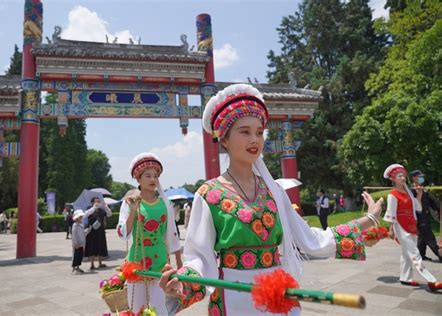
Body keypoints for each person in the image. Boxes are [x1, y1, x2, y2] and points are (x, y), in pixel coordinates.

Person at [160, 84, 384, 315]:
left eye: (259, 132)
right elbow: (199, 256)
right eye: (245, 132)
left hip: (278, 295)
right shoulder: (209, 195)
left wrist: (369, 219)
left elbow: (310, 239)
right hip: (235, 297)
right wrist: (183, 282)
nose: (254, 139)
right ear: (223, 139)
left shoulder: (274, 191)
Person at [117, 153, 182, 314]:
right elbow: (123, 233)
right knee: (137, 308)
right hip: (137, 263)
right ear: (138, 179)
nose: (153, 179)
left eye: (155, 175)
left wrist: (179, 262)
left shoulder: (165, 203)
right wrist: (133, 210)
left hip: (160, 262)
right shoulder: (130, 202)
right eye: (147, 176)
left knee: (159, 309)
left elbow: (172, 234)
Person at [383, 164, 441, 291]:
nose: (403, 178)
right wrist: (391, 229)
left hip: (412, 225)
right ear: (393, 178)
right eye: (399, 176)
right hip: (401, 226)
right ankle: (431, 280)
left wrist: (419, 195)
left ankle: (405, 277)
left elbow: (417, 207)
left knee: (406, 253)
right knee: (415, 253)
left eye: (404, 175)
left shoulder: (409, 192)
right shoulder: (392, 194)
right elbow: (391, 213)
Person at [409, 169, 441, 263]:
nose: (421, 178)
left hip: (425, 216)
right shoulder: (412, 190)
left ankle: (421, 255)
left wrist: (438, 210)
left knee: (422, 237)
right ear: (414, 178)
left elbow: (431, 201)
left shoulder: (422, 188)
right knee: (429, 237)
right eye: (419, 176)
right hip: (419, 216)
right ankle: (440, 254)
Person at [84, 197, 112, 270]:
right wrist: (93, 208)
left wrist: (106, 207)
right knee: (92, 247)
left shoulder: (101, 210)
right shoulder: (90, 209)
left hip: (100, 231)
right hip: (92, 231)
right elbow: (85, 215)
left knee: (100, 246)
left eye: (99, 201)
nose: (98, 203)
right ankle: (92, 264)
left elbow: (109, 214)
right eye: (96, 201)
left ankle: (100, 263)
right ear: (92, 202)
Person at [71, 209, 88, 274]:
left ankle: (78, 267)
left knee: (79, 256)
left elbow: (83, 233)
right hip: (77, 244)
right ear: (77, 218)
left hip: (81, 243)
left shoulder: (81, 224)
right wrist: (75, 244)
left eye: (81, 217)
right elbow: (74, 235)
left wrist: (87, 230)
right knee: (75, 255)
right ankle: (74, 268)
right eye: (80, 217)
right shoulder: (75, 225)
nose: (81, 218)